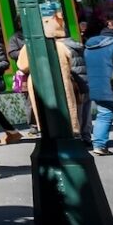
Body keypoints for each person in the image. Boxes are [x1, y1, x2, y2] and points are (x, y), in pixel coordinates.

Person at [17, 8, 81, 140]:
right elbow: (70, 65)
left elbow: (22, 66)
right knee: (67, 109)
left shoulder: (30, 46)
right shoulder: (62, 46)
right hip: (63, 82)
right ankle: (71, 132)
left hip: (38, 83)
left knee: (44, 114)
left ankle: (48, 133)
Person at [82, 19, 113, 154]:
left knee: (103, 114)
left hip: (95, 86)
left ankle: (99, 145)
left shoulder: (88, 49)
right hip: (112, 87)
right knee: (106, 113)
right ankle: (100, 145)